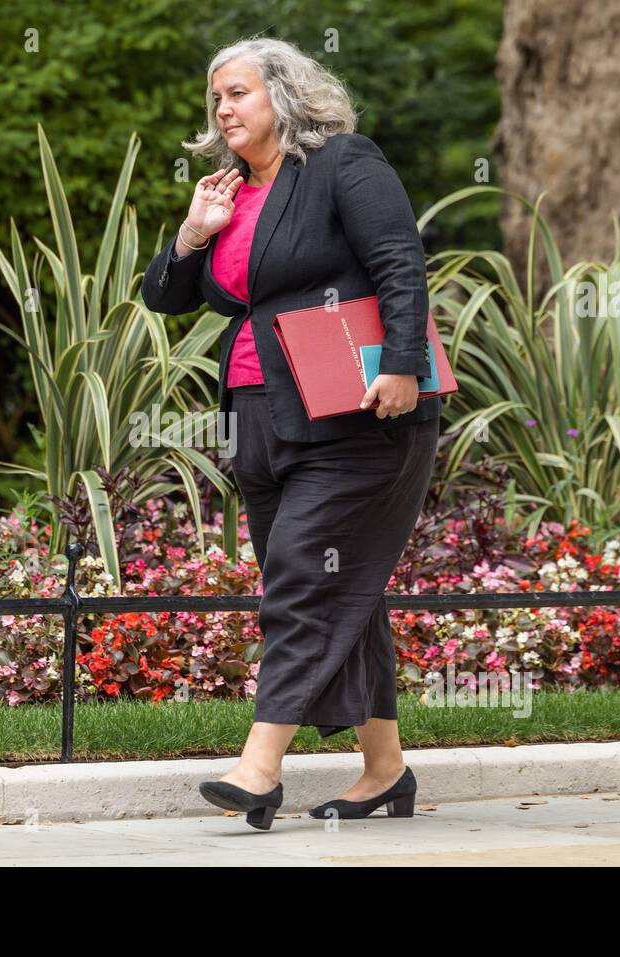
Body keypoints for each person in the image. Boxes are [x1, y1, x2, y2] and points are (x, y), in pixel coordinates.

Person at [139, 37, 441, 830]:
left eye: (237, 92)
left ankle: (261, 765)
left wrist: (404, 364)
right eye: (216, 99)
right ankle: (385, 771)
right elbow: (166, 299)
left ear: (284, 94)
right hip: (262, 417)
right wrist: (194, 232)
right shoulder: (230, 192)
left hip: (360, 413)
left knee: (305, 577)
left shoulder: (343, 162)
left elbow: (400, 261)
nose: (223, 109)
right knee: (343, 587)